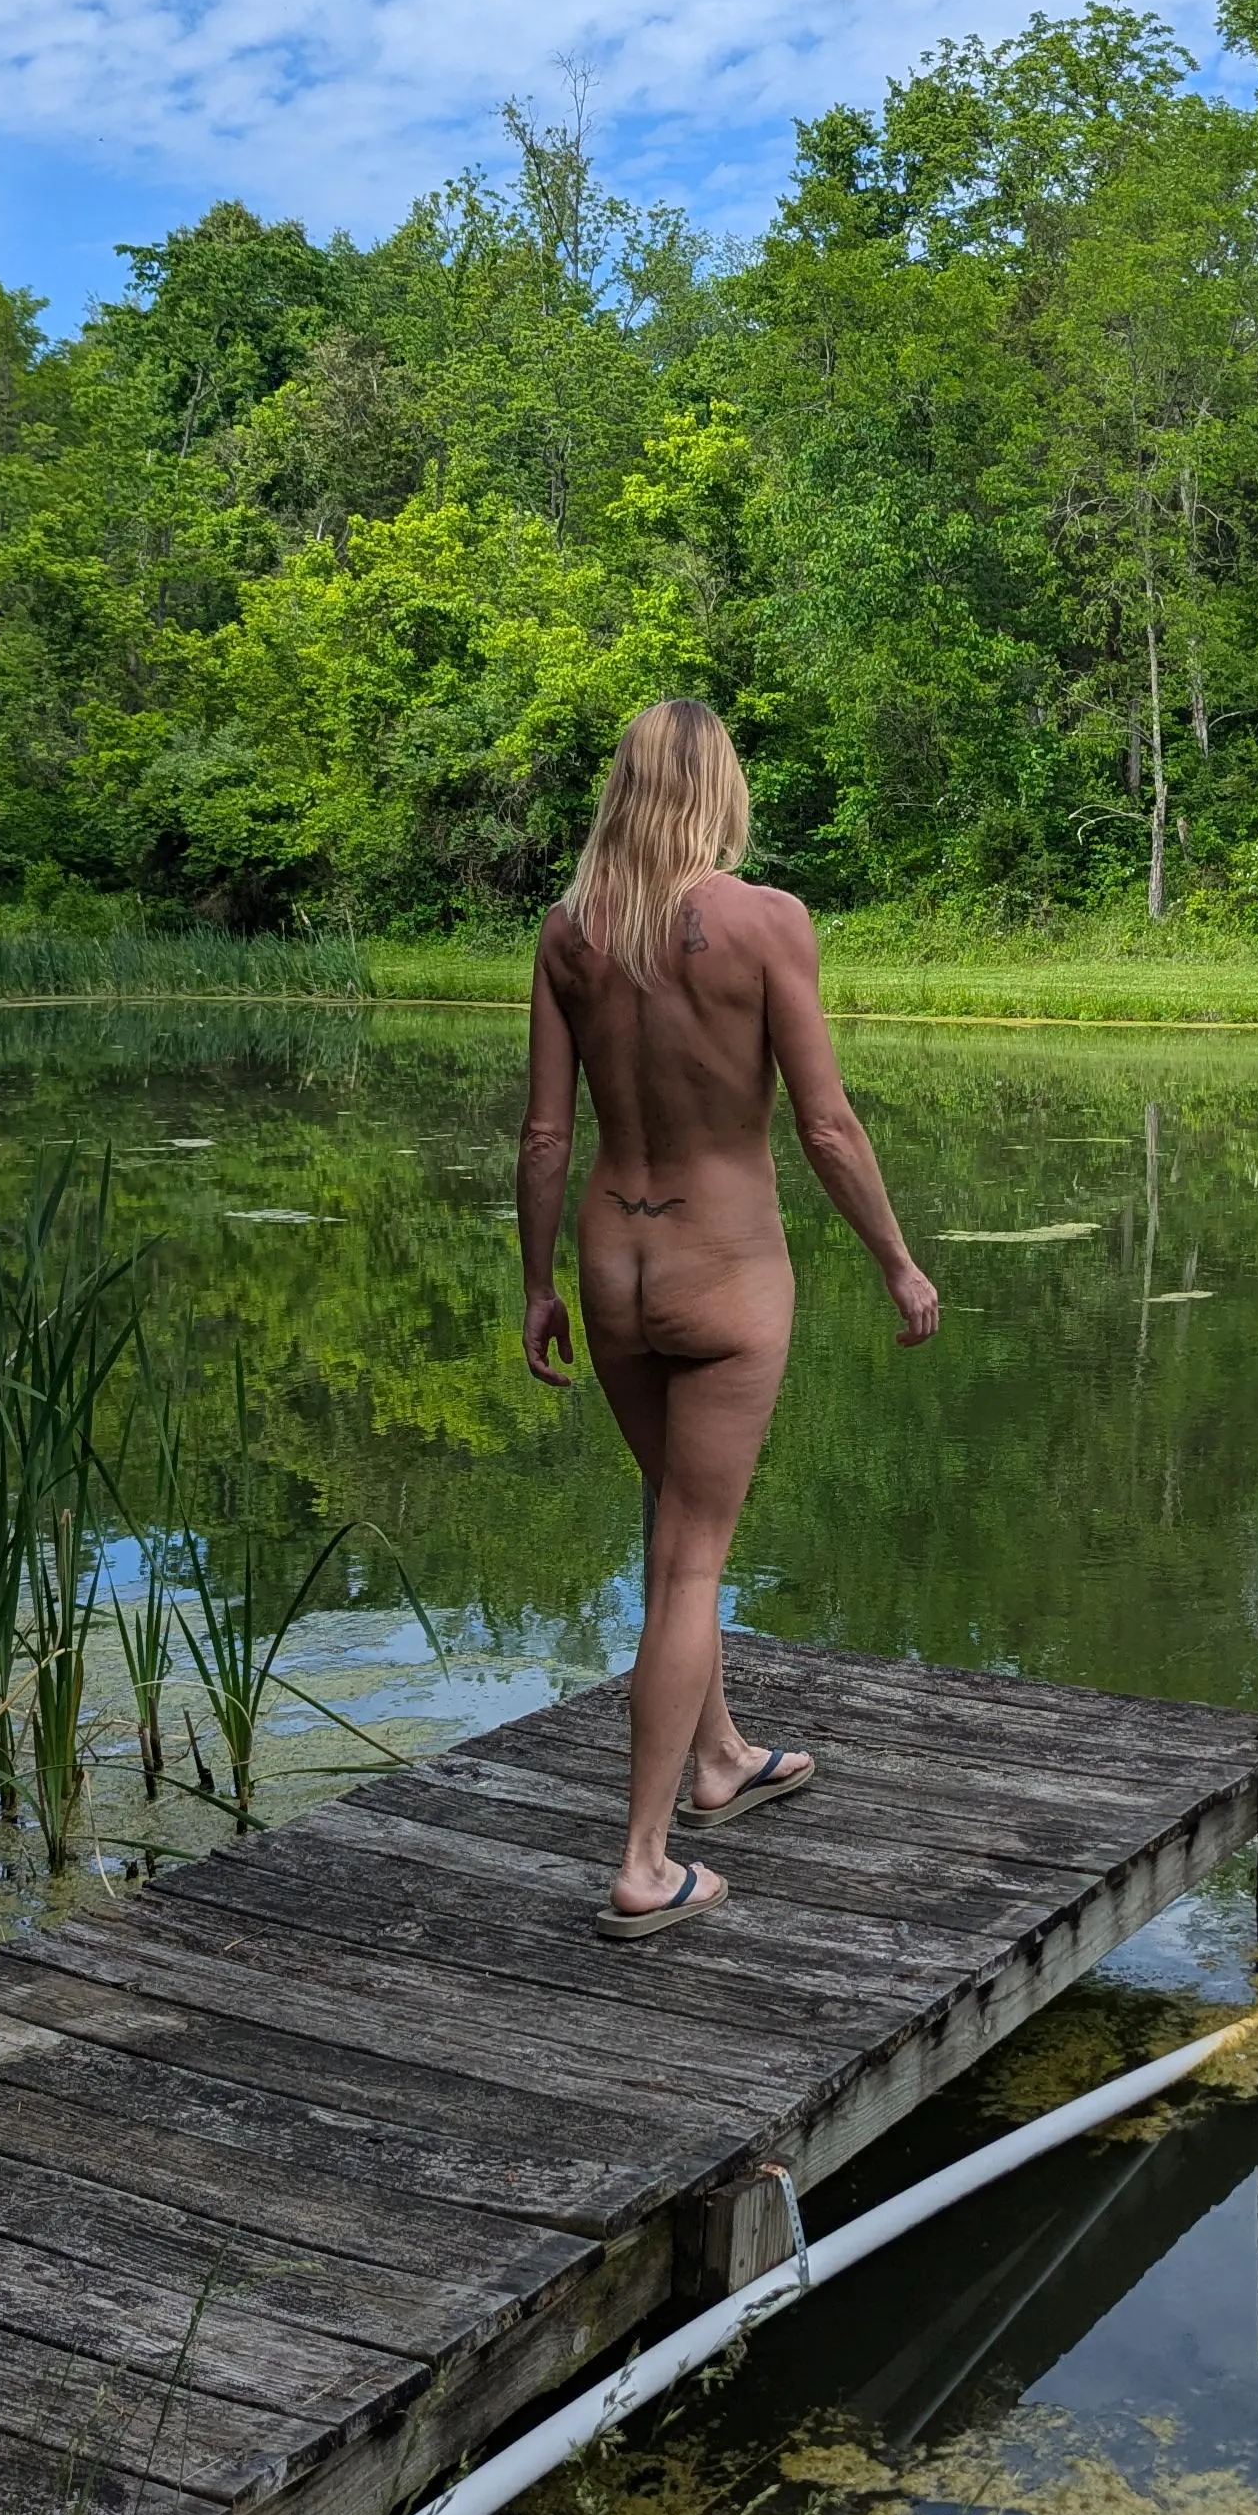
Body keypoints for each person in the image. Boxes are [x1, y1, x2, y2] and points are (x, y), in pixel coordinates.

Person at [518, 698, 939, 1930]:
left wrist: (537, 1283)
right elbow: (824, 1123)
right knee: (690, 1559)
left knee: (672, 1533)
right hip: (726, 1270)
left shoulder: (569, 933)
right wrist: (898, 1263)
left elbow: (547, 1132)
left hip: (616, 1273)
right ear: (718, 789)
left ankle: (720, 1760)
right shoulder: (765, 923)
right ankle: (647, 1861)